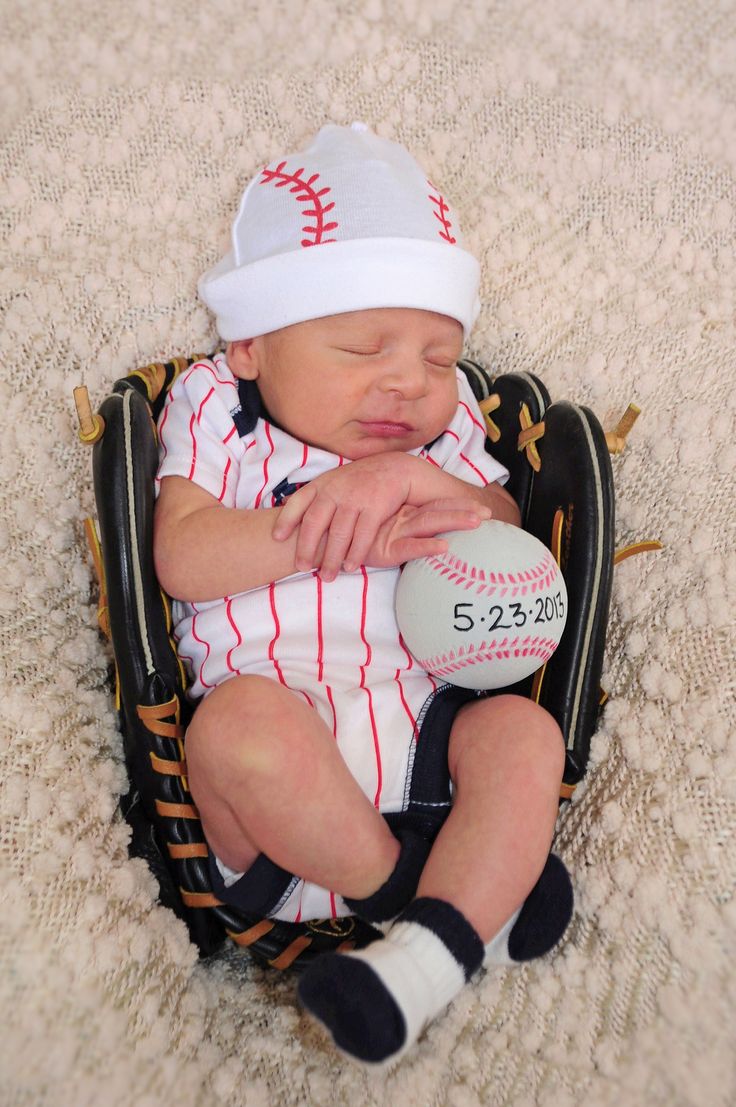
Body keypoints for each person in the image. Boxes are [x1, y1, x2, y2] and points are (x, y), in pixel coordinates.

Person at [153, 123, 573, 1065]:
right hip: (277, 818)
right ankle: (430, 900)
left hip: (429, 754)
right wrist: (313, 520)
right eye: (361, 345)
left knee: (524, 735)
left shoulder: (445, 426)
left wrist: (414, 485)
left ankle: (415, 966)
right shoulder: (217, 406)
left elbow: (504, 510)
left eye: (436, 355)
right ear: (254, 343)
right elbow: (179, 555)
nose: (406, 381)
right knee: (231, 730)